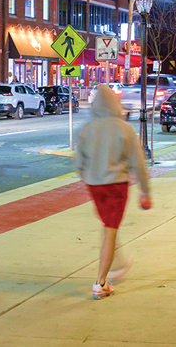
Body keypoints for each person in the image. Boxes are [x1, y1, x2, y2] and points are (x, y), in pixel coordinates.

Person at [75, 84, 151, 300]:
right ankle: (101, 283)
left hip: (95, 186)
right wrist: (145, 191)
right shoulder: (124, 128)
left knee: (108, 227)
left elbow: (79, 163)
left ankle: (115, 263)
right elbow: (139, 163)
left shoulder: (87, 129)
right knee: (110, 230)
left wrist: (90, 178)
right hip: (116, 185)